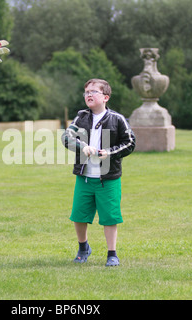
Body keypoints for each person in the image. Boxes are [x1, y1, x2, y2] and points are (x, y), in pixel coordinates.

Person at [62, 79, 136, 267]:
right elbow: (66, 137)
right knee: (79, 216)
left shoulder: (117, 119)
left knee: (110, 217)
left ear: (105, 97)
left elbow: (130, 143)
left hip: (108, 178)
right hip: (84, 177)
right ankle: (83, 248)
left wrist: (110, 153)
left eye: (93, 91)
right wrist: (82, 146)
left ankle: (112, 254)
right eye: (86, 91)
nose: (88, 95)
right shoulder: (81, 117)